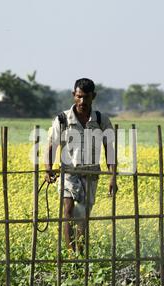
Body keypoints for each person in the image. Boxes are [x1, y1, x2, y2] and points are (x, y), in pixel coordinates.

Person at [45, 78, 117, 255]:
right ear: (73, 95)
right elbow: (51, 145)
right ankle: (71, 254)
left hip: (91, 174)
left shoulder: (101, 120)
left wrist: (113, 177)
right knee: (68, 212)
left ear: (94, 96)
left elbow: (110, 150)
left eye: (86, 97)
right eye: (78, 97)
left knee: (82, 217)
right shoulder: (62, 119)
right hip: (68, 173)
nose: (82, 102)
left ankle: (81, 252)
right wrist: (47, 169)